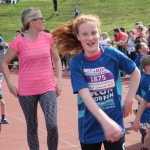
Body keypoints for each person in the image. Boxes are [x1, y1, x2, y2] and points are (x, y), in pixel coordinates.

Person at [51, 14, 140, 150]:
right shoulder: (77, 63)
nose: (90, 37)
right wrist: (105, 122)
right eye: (85, 34)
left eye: (93, 32)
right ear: (78, 36)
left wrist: (129, 100)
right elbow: (85, 96)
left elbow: (135, 72)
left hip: (115, 120)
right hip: (89, 126)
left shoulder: (113, 55)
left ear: (99, 32)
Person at [1, 7, 62, 150]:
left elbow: (57, 59)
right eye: (41, 18)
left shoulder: (48, 38)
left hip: (47, 87)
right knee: (32, 126)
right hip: (26, 91)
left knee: (52, 124)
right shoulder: (18, 42)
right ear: (31, 22)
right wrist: (10, 84)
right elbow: (3, 62)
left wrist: (59, 81)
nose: (44, 21)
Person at [134, 55, 150, 145]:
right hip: (146, 111)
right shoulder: (142, 79)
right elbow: (135, 94)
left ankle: (144, 131)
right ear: (147, 67)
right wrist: (145, 103)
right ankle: (145, 147)